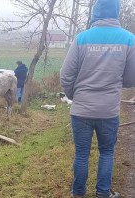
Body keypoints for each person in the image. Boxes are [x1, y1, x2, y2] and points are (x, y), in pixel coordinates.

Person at [60, 0, 135, 197]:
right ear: (116, 12)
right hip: (108, 111)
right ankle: (103, 194)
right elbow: (130, 78)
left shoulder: (81, 38)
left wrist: (73, 96)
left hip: (81, 110)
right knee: (107, 153)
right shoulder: (129, 39)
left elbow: (66, 75)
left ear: (96, 12)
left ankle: (78, 194)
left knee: (81, 154)